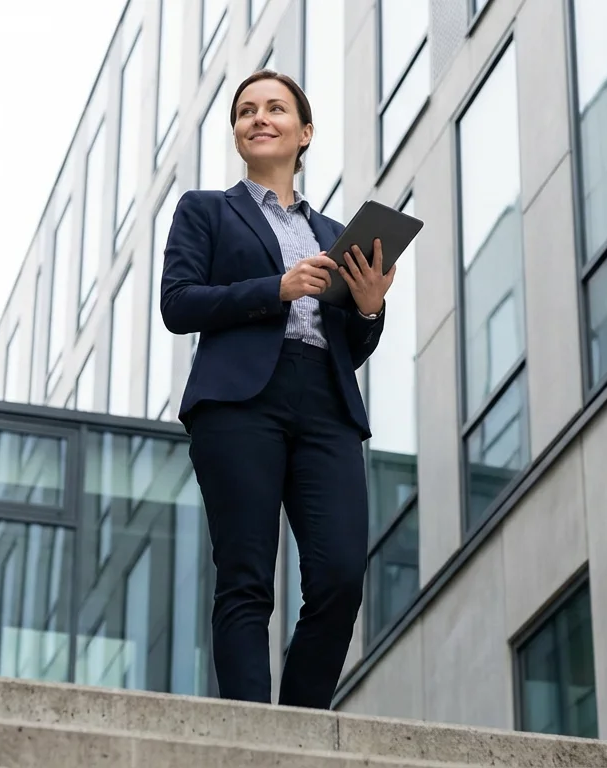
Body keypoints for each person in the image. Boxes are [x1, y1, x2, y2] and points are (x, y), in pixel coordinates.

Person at [158, 69, 395, 709]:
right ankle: (251, 733)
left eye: (276, 109)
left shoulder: (335, 234)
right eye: (246, 112)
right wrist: (277, 289)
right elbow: (178, 305)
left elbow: (353, 343)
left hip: (326, 404)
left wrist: (369, 309)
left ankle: (302, 725)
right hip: (239, 403)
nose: (259, 118)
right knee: (246, 578)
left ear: (304, 131)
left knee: (342, 574)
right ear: (238, 134)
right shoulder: (204, 210)